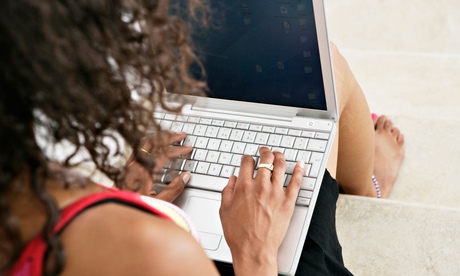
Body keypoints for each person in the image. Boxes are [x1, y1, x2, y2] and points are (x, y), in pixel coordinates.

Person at [0, 1, 405, 275]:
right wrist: (255, 253)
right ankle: (370, 185)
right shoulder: (156, 253)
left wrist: (127, 200)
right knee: (328, 66)